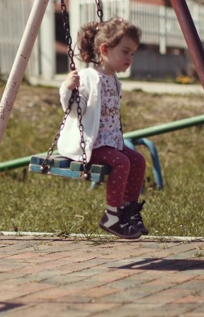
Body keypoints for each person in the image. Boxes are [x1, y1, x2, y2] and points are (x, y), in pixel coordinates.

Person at [57, 17, 147, 239]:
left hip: (110, 142)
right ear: (105, 49)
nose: (130, 58)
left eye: (133, 53)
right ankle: (112, 216)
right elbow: (73, 109)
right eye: (125, 51)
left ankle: (128, 210)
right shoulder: (88, 77)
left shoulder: (114, 80)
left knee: (138, 160)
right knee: (121, 161)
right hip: (91, 143)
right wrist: (68, 88)